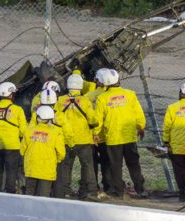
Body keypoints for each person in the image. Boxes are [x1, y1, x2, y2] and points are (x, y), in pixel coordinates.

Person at [94, 69, 148, 199]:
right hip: (129, 136)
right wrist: (141, 128)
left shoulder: (102, 98)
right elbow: (139, 114)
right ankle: (140, 189)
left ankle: (119, 191)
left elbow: (98, 120)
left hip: (113, 138)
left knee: (115, 166)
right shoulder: (130, 94)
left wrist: (95, 134)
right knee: (134, 164)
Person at [52, 73, 99, 201]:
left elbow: (55, 118)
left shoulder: (60, 101)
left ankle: (65, 190)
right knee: (87, 165)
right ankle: (90, 191)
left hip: (66, 139)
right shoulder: (85, 101)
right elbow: (93, 119)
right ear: (80, 86)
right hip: (83, 139)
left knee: (66, 166)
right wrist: (95, 130)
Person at [21, 106, 66, 197]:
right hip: (47, 170)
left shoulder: (29, 131)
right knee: (43, 198)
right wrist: (56, 160)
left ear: (37, 118)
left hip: (31, 169)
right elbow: (61, 153)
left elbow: (22, 150)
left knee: (29, 196)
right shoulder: (56, 133)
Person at [88, 68, 113, 197]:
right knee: (106, 162)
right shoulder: (109, 97)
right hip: (106, 136)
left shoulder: (88, 97)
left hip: (92, 136)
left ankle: (93, 186)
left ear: (96, 81)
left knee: (92, 163)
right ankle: (108, 185)